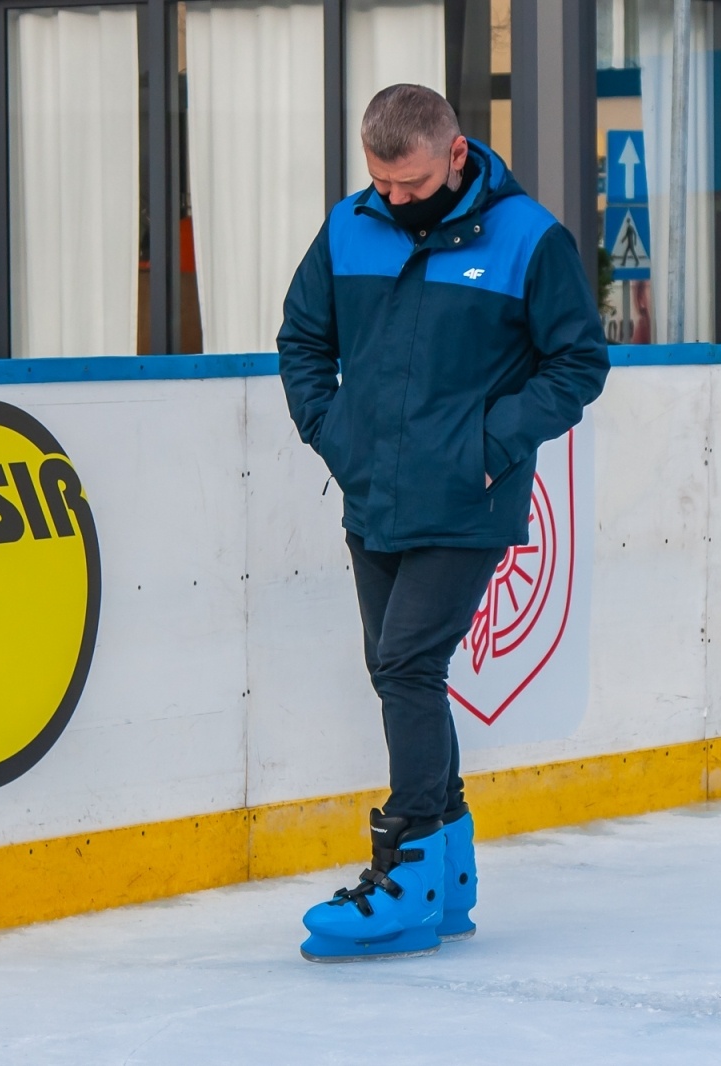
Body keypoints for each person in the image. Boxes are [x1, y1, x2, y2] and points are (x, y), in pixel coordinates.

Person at [277, 84, 609, 962]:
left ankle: (411, 864)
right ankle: (451, 878)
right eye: (381, 181)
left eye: (412, 182)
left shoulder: (528, 237)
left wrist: (490, 445)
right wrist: (333, 430)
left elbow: (579, 361)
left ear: (456, 154)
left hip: (468, 498)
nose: (394, 197)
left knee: (408, 662)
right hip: (372, 493)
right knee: (394, 672)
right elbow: (301, 340)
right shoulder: (351, 225)